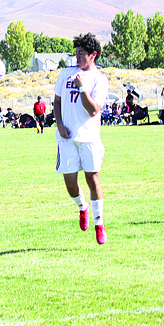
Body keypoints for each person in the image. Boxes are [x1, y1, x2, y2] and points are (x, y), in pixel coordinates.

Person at [53, 32, 109, 245]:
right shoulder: (65, 74)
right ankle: (82, 207)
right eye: (76, 53)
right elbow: (57, 101)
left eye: (82, 53)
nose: (77, 57)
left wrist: (83, 87)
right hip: (66, 139)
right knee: (70, 184)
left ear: (93, 55)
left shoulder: (99, 80)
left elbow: (94, 110)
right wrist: (59, 124)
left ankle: (99, 223)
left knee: (92, 180)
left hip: (89, 139)